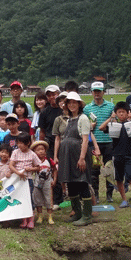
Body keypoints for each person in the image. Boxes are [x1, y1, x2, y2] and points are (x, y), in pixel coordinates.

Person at [57, 91, 93, 226]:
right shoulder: (69, 119)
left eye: (74, 102)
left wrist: (82, 158)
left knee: (81, 182)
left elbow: (85, 140)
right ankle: (77, 213)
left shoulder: (83, 118)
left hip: (78, 155)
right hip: (68, 155)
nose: (72, 105)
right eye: (69, 103)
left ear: (79, 104)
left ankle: (87, 215)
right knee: (70, 182)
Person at [99, 101, 131, 209]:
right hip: (117, 154)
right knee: (118, 179)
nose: (121, 114)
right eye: (119, 112)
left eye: (123, 112)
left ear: (127, 113)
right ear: (116, 113)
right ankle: (124, 200)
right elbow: (101, 128)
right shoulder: (114, 126)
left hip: (130, 154)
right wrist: (110, 118)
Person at [83, 81, 115, 203]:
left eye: (99, 91)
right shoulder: (87, 108)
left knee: (109, 168)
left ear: (103, 92)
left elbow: (114, 122)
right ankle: (95, 194)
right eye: (95, 91)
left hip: (108, 141)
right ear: (91, 92)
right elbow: (85, 127)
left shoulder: (111, 106)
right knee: (94, 170)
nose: (97, 93)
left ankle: (109, 194)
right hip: (93, 142)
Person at [9, 132, 41, 229]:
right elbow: (11, 165)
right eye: (18, 143)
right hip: (17, 180)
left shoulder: (32, 154)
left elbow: (38, 167)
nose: (19, 145)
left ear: (27, 143)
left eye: (22, 143)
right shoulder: (15, 152)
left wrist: (30, 169)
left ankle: (30, 219)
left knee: (29, 198)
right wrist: (18, 173)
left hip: (28, 180)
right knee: (20, 199)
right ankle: (23, 220)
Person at [32, 140, 56, 225]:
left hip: (47, 183)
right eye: (38, 150)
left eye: (42, 149)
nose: (41, 151)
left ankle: (50, 216)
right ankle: (40, 216)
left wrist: (55, 179)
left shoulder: (49, 160)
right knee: (38, 199)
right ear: (34, 152)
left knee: (48, 199)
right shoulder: (34, 162)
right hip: (37, 183)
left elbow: (55, 169)